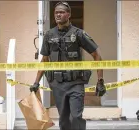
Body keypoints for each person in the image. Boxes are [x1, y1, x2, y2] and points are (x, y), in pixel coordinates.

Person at [30, 1, 106, 130]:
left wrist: (100, 81)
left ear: (69, 14)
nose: (58, 15)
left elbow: (97, 55)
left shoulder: (78, 34)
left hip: (75, 83)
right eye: (56, 12)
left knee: (76, 116)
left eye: (61, 12)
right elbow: (45, 60)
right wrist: (36, 82)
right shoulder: (49, 35)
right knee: (64, 119)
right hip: (57, 84)